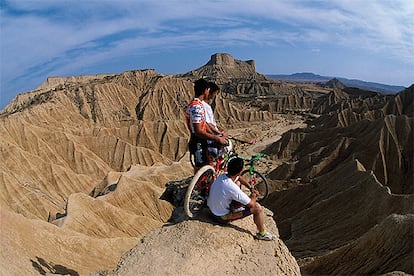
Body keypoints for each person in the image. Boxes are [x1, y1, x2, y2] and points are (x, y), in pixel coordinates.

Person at [207, 157, 275, 241]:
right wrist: (253, 195)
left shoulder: (223, 175)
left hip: (211, 208)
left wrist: (250, 187)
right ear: (240, 171)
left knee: (238, 182)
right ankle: (262, 234)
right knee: (257, 208)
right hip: (220, 217)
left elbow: (238, 178)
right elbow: (251, 204)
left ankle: (235, 206)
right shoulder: (231, 187)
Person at [186, 78, 227, 173]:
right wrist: (216, 138)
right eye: (208, 90)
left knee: (209, 166)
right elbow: (198, 131)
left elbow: (205, 124)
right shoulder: (196, 107)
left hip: (200, 141)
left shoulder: (198, 104)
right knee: (200, 168)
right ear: (205, 91)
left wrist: (217, 134)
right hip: (198, 142)